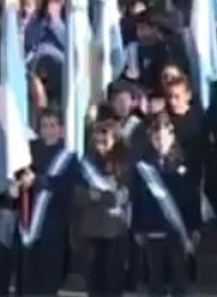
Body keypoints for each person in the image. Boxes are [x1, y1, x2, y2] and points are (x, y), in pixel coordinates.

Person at [131, 112, 201, 297]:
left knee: (180, 277)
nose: (160, 141)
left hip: (177, 230)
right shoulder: (143, 166)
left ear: (171, 136)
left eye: (163, 136)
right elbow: (137, 198)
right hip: (152, 228)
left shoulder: (183, 164)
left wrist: (194, 226)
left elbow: (192, 198)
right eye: (156, 137)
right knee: (155, 279)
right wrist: (137, 227)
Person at [73, 109, 131, 297]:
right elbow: (77, 194)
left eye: (105, 141)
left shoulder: (123, 163)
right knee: (93, 282)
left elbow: (121, 196)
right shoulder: (86, 163)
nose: (101, 145)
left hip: (115, 231)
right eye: (97, 141)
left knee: (113, 281)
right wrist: (91, 196)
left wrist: (101, 197)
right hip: (91, 231)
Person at [21, 109, 75, 297]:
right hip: (29, 225)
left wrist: (38, 180)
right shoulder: (29, 152)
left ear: (61, 129)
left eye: (53, 125)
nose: (49, 130)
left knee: (49, 282)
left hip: (55, 225)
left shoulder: (69, 156)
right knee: (29, 282)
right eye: (45, 126)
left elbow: (66, 185)